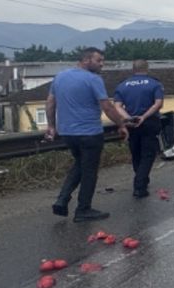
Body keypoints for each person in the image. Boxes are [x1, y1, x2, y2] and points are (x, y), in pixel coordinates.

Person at [46, 47, 130, 222]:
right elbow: (107, 107)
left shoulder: (60, 77)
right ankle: (83, 209)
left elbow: (50, 103)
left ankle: (62, 200)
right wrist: (121, 125)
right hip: (89, 133)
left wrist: (51, 126)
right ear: (86, 60)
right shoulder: (94, 79)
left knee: (80, 164)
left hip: (67, 132)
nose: (102, 64)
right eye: (98, 60)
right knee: (89, 171)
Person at [113, 59, 165, 198]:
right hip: (149, 123)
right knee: (148, 155)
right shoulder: (155, 83)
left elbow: (117, 106)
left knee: (136, 153)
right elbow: (158, 103)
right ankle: (139, 186)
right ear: (147, 68)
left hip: (131, 124)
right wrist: (144, 116)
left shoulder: (122, 85)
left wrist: (129, 118)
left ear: (133, 69)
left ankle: (142, 180)